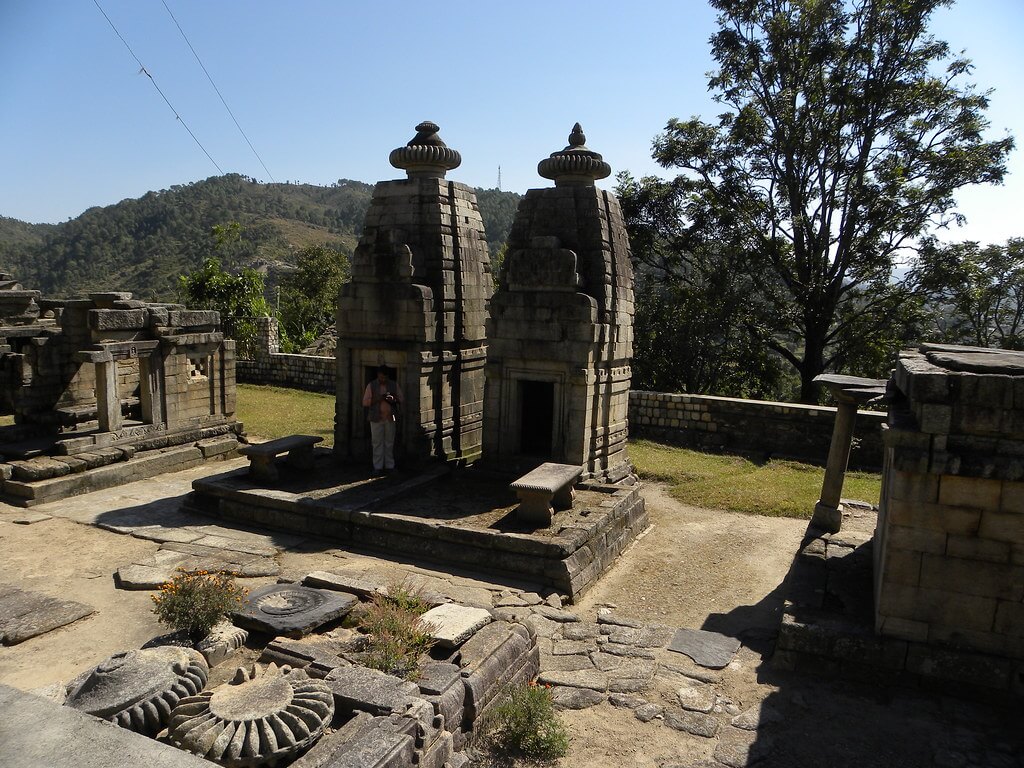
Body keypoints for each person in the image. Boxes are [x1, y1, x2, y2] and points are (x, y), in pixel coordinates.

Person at [362, 366, 403, 474]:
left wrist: (393, 399)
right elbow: (365, 402)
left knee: (389, 442)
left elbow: (401, 399)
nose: (383, 380)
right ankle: (378, 466)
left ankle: (390, 465)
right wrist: (377, 399)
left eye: (384, 378)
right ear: (378, 375)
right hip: (376, 417)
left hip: (390, 417)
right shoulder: (371, 385)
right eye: (381, 377)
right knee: (377, 442)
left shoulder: (394, 385)